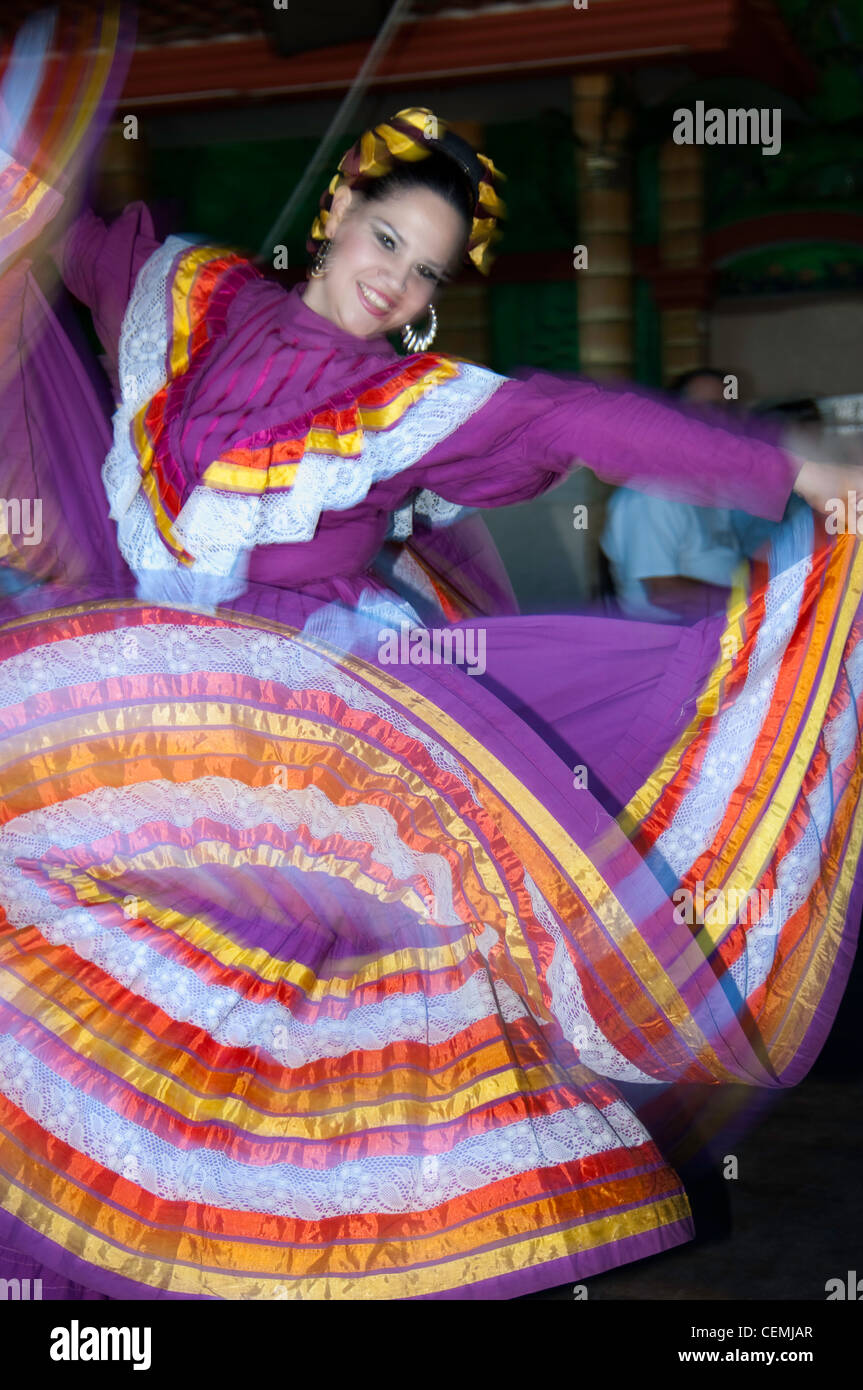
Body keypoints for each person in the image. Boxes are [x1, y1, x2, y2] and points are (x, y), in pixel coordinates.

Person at [1, 65, 862, 1301]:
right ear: (341, 203)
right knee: (98, 975)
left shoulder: (400, 396)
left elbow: (571, 419)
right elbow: (51, 230)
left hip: (313, 732)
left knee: (297, 1017)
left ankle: (304, 1260)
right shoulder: (183, 293)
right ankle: (108, 1255)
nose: (395, 284)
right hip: (133, 708)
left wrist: (782, 464)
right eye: (389, 239)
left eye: (424, 272)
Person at [600, 368, 775, 622]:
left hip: (723, 632)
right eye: (709, 409)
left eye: (729, 410)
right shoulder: (651, 494)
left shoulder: (719, 489)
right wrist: (756, 606)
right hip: (672, 644)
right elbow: (663, 593)